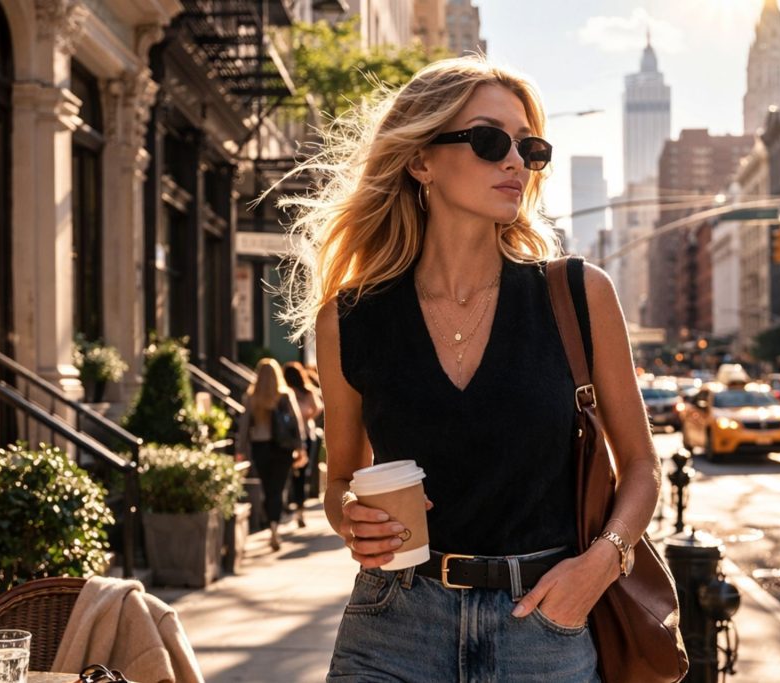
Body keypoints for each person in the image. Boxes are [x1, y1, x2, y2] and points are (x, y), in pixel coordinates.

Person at [276, 56, 660, 681]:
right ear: (421, 160)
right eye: (489, 140)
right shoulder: (348, 319)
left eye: (528, 148)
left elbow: (641, 466)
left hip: (544, 623)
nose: (515, 161)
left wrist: (602, 564)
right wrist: (352, 517)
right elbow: (340, 476)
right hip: (393, 626)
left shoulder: (578, 294)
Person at [236, 358, 306, 551]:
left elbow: (243, 428)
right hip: (283, 449)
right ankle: (275, 526)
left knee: (268, 489)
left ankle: (272, 525)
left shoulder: (252, 397)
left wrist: (240, 452)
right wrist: (301, 447)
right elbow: (296, 423)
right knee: (279, 488)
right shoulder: (284, 394)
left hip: (261, 448)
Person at [283, 360, 325, 527]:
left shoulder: (288, 393)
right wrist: (307, 417)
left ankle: (291, 506)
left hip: (292, 437)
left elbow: (318, 407)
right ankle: (299, 509)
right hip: (306, 435)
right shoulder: (304, 392)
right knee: (301, 474)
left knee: (292, 473)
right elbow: (317, 408)